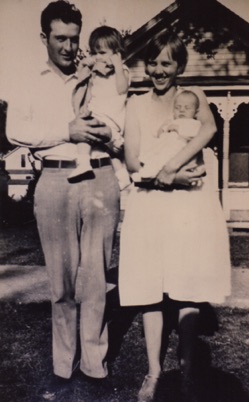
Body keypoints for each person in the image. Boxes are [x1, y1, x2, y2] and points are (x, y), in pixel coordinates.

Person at [6, 1, 121, 399]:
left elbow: (118, 122)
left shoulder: (100, 73)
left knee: (95, 278)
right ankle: (62, 362)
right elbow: (17, 130)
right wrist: (67, 131)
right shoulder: (27, 78)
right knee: (62, 282)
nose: (69, 47)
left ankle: (94, 362)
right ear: (44, 38)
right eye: (60, 39)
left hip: (101, 177)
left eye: (74, 39)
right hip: (54, 179)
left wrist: (106, 129)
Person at [118, 30, 231, 402]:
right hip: (150, 199)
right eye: (152, 62)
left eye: (166, 62)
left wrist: (171, 168)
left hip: (187, 205)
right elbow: (132, 159)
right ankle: (153, 373)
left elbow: (209, 130)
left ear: (179, 65)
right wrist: (165, 178)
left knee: (186, 288)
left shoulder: (194, 97)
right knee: (149, 289)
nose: (158, 70)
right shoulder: (135, 103)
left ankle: (186, 375)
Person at [67, 25, 131, 189]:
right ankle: (122, 175)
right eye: (94, 53)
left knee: (85, 135)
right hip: (98, 114)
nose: (97, 57)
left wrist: (117, 66)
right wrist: (84, 107)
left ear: (117, 54)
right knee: (107, 150)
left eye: (102, 53)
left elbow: (122, 88)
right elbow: (89, 91)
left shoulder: (122, 71)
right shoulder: (95, 72)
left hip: (112, 118)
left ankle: (82, 162)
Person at [131, 89, 204, 183]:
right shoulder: (172, 121)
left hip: (179, 151)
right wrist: (163, 128)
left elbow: (193, 135)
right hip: (165, 148)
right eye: (178, 107)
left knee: (161, 162)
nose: (182, 110)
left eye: (187, 108)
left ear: (195, 111)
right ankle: (143, 173)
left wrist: (178, 129)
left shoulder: (194, 123)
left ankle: (147, 175)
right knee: (154, 158)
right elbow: (159, 135)